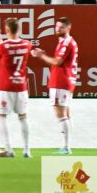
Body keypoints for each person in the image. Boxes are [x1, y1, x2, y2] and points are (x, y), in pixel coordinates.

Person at [31, 17, 79, 154]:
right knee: (66, 114)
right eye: (56, 27)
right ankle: (67, 145)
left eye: (61, 27)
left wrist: (40, 55)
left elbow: (58, 62)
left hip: (61, 81)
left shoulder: (66, 43)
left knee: (60, 114)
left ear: (68, 28)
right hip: (66, 81)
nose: (57, 29)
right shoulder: (66, 42)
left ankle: (66, 147)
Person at [0, 18, 33, 158]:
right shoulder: (27, 44)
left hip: (6, 87)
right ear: (19, 29)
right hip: (21, 86)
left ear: (7, 30)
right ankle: (27, 150)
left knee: (2, 116)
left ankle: (8, 148)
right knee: (23, 117)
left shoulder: (3, 46)